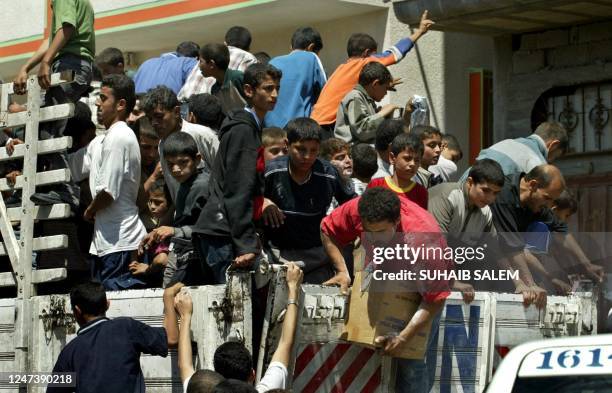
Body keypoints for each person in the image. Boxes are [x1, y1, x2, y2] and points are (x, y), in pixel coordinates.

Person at [320, 188, 450, 392]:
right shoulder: (358, 208)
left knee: (412, 364)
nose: (372, 238)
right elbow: (326, 228)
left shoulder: (423, 240)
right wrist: (342, 270)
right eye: (367, 231)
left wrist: (403, 338)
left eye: (380, 232)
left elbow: (435, 299)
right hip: (383, 276)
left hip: (424, 290)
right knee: (365, 349)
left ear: (396, 221)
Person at [192, 63, 281, 284]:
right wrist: (246, 244)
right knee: (232, 310)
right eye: (268, 88)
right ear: (249, 91)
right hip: (222, 233)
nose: (275, 94)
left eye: (277, 88)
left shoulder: (249, 126)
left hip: (221, 231)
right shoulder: (243, 130)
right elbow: (238, 189)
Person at [12, 0, 95, 209]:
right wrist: (27, 66)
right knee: (44, 127)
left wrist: (46, 62)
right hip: (75, 63)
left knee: (48, 131)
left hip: (70, 64)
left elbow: (67, 28)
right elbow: (52, 39)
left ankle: (65, 190)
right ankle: (52, 186)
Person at [174, 263, 303, 393]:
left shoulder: (202, 388)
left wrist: (185, 317)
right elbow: (285, 344)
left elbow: (185, 365)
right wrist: (293, 289)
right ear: (252, 375)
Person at [262, 118, 355, 283]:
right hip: (277, 257)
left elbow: (352, 206)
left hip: (317, 258)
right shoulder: (271, 172)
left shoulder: (329, 174)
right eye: (300, 149)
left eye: (313, 150)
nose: (307, 156)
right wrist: (263, 202)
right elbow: (246, 199)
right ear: (287, 145)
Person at [310, 10, 434, 129]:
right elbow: (394, 54)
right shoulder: (363, 63)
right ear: (367, 53)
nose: (377, 58)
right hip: (327, 124)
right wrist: (419, 32)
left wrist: (384, 84)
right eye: (375, 54)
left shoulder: (343, 68)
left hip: (316, 119)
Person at [46, 281, 175, 393]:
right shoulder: (126, 328)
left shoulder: (69, 353)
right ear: (107, 304)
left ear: (77, 311)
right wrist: (169, 298)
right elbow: (171, 339)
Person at [86, 74, 148, 290]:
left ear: (121, 104)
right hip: (106, 243)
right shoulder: (105, 139)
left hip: (120, 242)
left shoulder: (119, 136)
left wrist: (90, 211)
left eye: (103, 98)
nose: (97, 103)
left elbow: (107, 192)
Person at [428, 158, 505, 302]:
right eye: (486, 190)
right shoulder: (448, 196)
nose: (490, 198)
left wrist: (519, 282)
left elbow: (496, 252)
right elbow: (434, 245)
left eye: (495, 193)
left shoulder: (485, 212)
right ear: (470, 182)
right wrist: (452, 280)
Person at [139, 132, 210, 287]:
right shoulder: (184, 184)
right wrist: (157, 233)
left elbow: (208, 229)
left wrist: (173, 231)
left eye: (183, 162)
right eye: (170, 164)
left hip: (198, 258)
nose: (176, 169)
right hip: (182, 253)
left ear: (197, 159)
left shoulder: (202, 186)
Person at [141, 86, 218, 201]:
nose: (154, 123)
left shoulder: (202, 135)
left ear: (176, 112)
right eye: (150, 118)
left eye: (159, 117)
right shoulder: (162, 145)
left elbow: (225, 175)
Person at [265, 27, 327, 129]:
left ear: (291, 47)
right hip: (300, 131)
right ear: (311, 48)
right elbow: (325, 95)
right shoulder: (311, 58)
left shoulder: (273, 62)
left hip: (272, 133)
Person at [462, 121, 568, 179]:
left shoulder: (505, 143)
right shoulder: (538, 163)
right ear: (554, 145)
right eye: (555, 157)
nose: (551, 161)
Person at [334, 62, 398, 145]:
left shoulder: (367, 99)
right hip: (352, 153)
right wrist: (382, 114)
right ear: (375, 84)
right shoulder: (355, 97)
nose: (386, 92)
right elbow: (361, 130)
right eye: (386, 88)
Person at [368, 133, 428, 209]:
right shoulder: (376, 185)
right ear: (392, 158)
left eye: (417, 160)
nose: (412, 164)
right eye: (407, 158)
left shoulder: (420, 192)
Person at [129, 179, 172, 286]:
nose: (152, 206)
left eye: (158, 202)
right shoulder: (160, 225)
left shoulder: (166, 231)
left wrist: (147, 269)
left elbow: (162, 260)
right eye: (150, 201)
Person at [133, 41, 199, 95]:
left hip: (138, 108)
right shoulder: (189, 62)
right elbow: (197, 88)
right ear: (196, 58)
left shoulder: (146, 63)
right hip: (167, 108)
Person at [199, 43, 247, 113]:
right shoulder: (215, 89)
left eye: (201, 61)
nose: (199, 65)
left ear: (212, 64)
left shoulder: (237, 78)